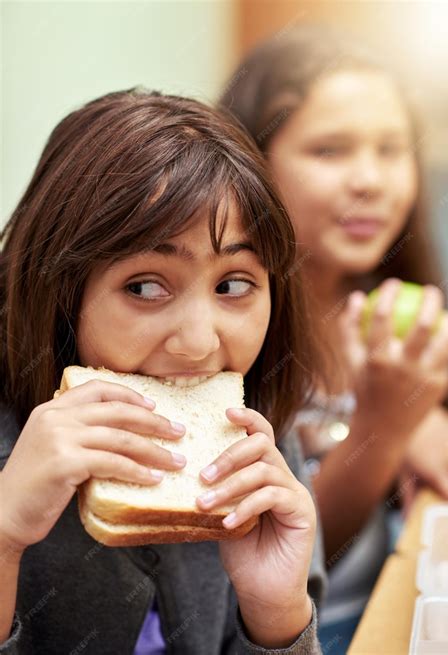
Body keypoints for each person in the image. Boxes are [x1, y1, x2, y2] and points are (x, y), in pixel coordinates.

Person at [0, 88, 327, 654]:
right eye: (145, 287)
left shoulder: (259, 445)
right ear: (58, 295)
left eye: (233, 285)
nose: (199, 343)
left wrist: (276, 608)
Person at [219, 24, 448, 650]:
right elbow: (280, 558)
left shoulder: (383, 309)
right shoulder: (229, 329)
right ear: (251, 160)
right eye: (329, 151)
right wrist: (385, 431)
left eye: (391, 149)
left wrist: (414, 423)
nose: (370, 179)